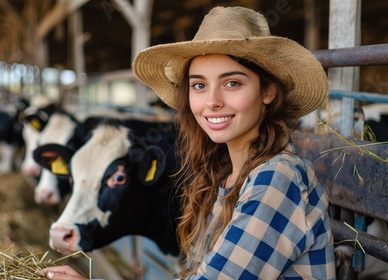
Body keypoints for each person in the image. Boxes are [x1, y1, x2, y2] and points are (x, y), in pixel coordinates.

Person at [43, 5, 336, 280]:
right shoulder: (221, 174)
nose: (212, 102)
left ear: (268, 92)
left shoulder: (278, 177)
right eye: (199, 85)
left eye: (232, 82)